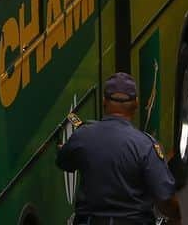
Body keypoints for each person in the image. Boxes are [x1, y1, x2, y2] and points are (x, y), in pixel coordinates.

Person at [57, 72, 180, 224]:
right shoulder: (146, 146)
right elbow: (166, 197)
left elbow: (63, 162)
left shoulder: (83, 136)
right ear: (135, 104)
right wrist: (176, 219)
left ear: (104, 102)